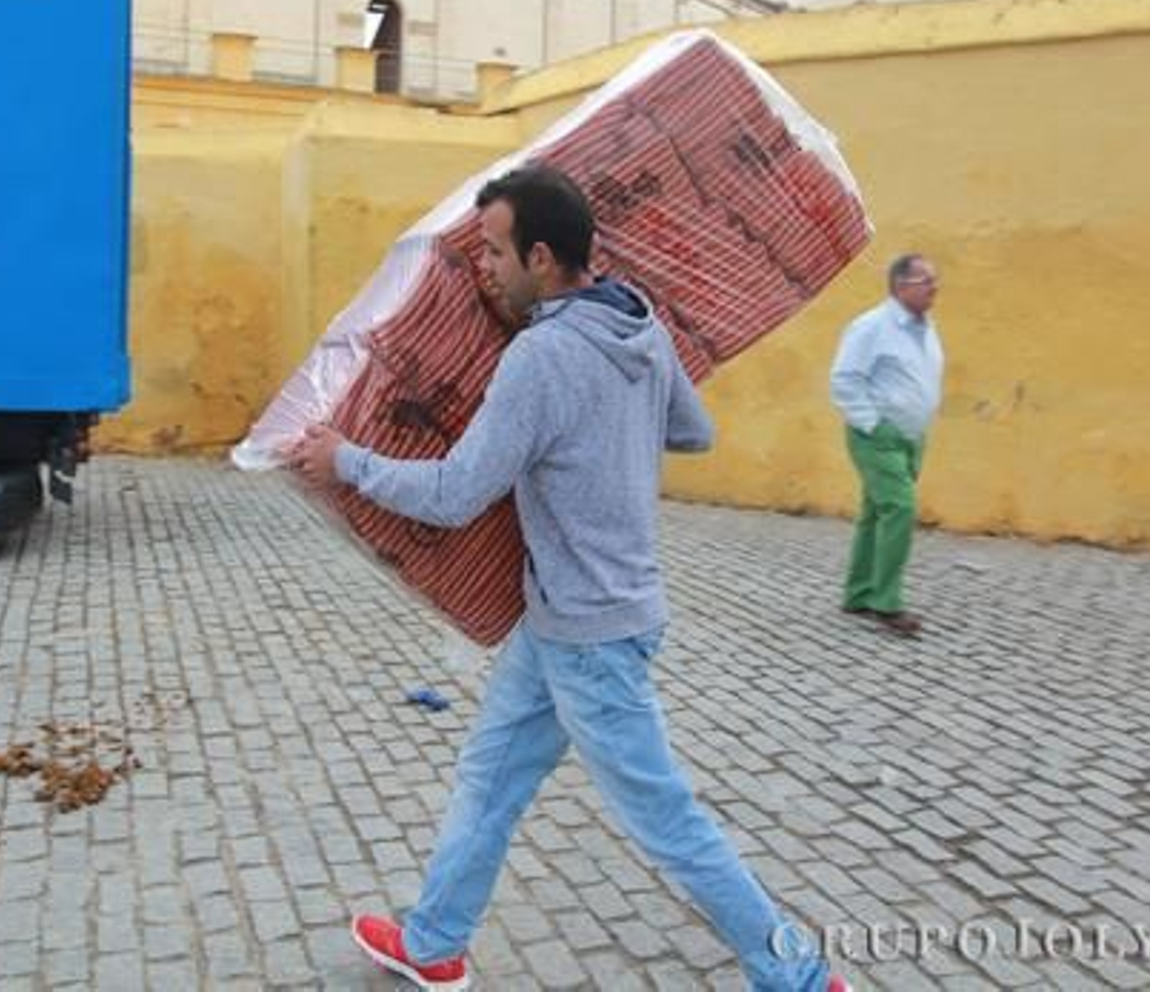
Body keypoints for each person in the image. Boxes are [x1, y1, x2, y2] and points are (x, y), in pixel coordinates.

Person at [288, 166, 846, 992]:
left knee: (665, 818)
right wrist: (608, 427)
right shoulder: (641, 325)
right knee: (491, 775)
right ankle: (435, 941)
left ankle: (798, 976)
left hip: (592, 633)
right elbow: (693, 432)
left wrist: (347, 460)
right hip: (565, 622)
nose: (483, 270)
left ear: (542, 259)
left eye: (493, 253)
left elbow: (453, 494)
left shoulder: (540, 355)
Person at [828, 253, 945, 637]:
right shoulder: (871, 326)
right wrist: (872, 424)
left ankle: (858, 591)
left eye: (934, 279)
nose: (935, 287)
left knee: (876, 512)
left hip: (911, 437)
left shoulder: (924, 326)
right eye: (925, 280)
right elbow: (845, 379)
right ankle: (886, 603)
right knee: (899, 508)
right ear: (900, 285)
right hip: (878, 436)